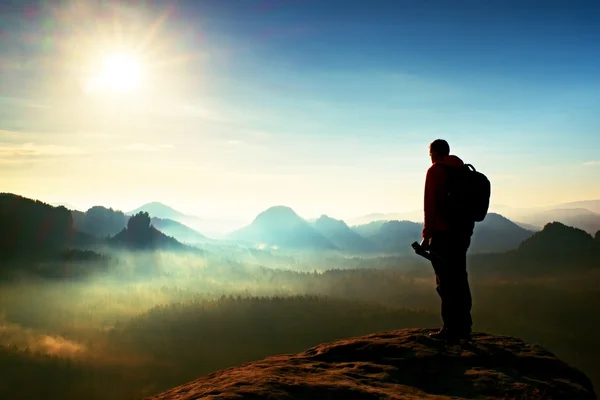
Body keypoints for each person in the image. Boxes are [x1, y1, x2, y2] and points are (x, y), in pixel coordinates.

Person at [420, 139, 475, 341]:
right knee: (459, 278)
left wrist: (427, 237)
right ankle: (464, 326)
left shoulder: (435, 171)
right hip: (461, 235)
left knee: (446, 282)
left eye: (430, 154)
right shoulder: (462, 170)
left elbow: (430, 206)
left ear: (434, 153)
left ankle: (450, 329)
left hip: (443, 236)